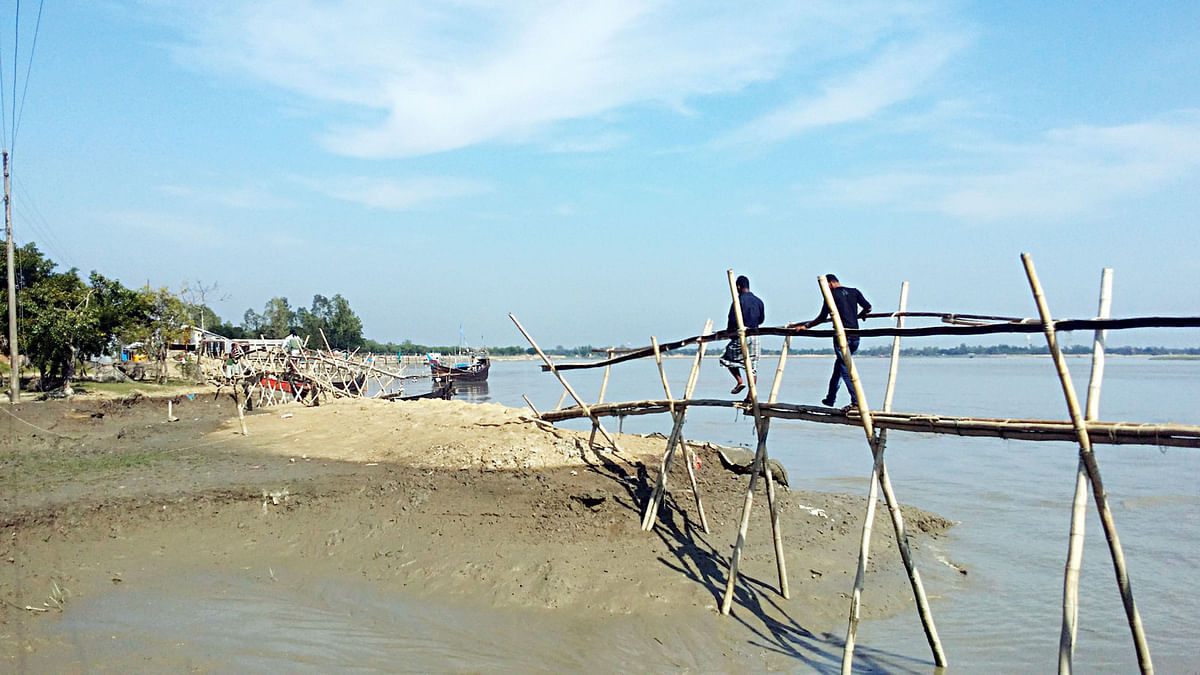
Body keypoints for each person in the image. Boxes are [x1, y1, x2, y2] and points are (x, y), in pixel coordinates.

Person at [794, 274, 871, 410]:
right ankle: (830, 398)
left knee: (845, 369)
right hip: (856, 336)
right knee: (840, 366)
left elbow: (822, 317)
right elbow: (869, 307)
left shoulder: (831, 296)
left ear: (829, 284)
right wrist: (862, 314)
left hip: (842, 337)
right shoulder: (854, 291)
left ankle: (856, 402)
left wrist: (806, 326)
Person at [720, 275, 765, 395]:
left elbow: (732, 320)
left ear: (738, 287)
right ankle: (751, 396)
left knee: (725, 358)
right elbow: (761, 319)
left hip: (741, 336)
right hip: (755, 336)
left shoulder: (738, 301)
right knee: (752, 367)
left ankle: (740, 381)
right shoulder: (758, 301)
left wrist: (730, 333)